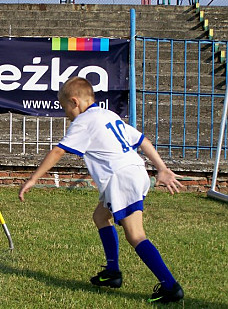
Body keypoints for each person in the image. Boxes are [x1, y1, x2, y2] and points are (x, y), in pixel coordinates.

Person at [18, 77, 184, 304]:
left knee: (135, 235)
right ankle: (112, 273)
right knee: (100, 216)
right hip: (134, 170)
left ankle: (170, 286)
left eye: (65, 107)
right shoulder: (108, 115)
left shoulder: (83, 121)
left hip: (120, 177)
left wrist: (33, 179)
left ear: (75, 102)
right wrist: (161, 169)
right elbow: (142, 140)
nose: (66, 113)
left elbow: (58, 151)